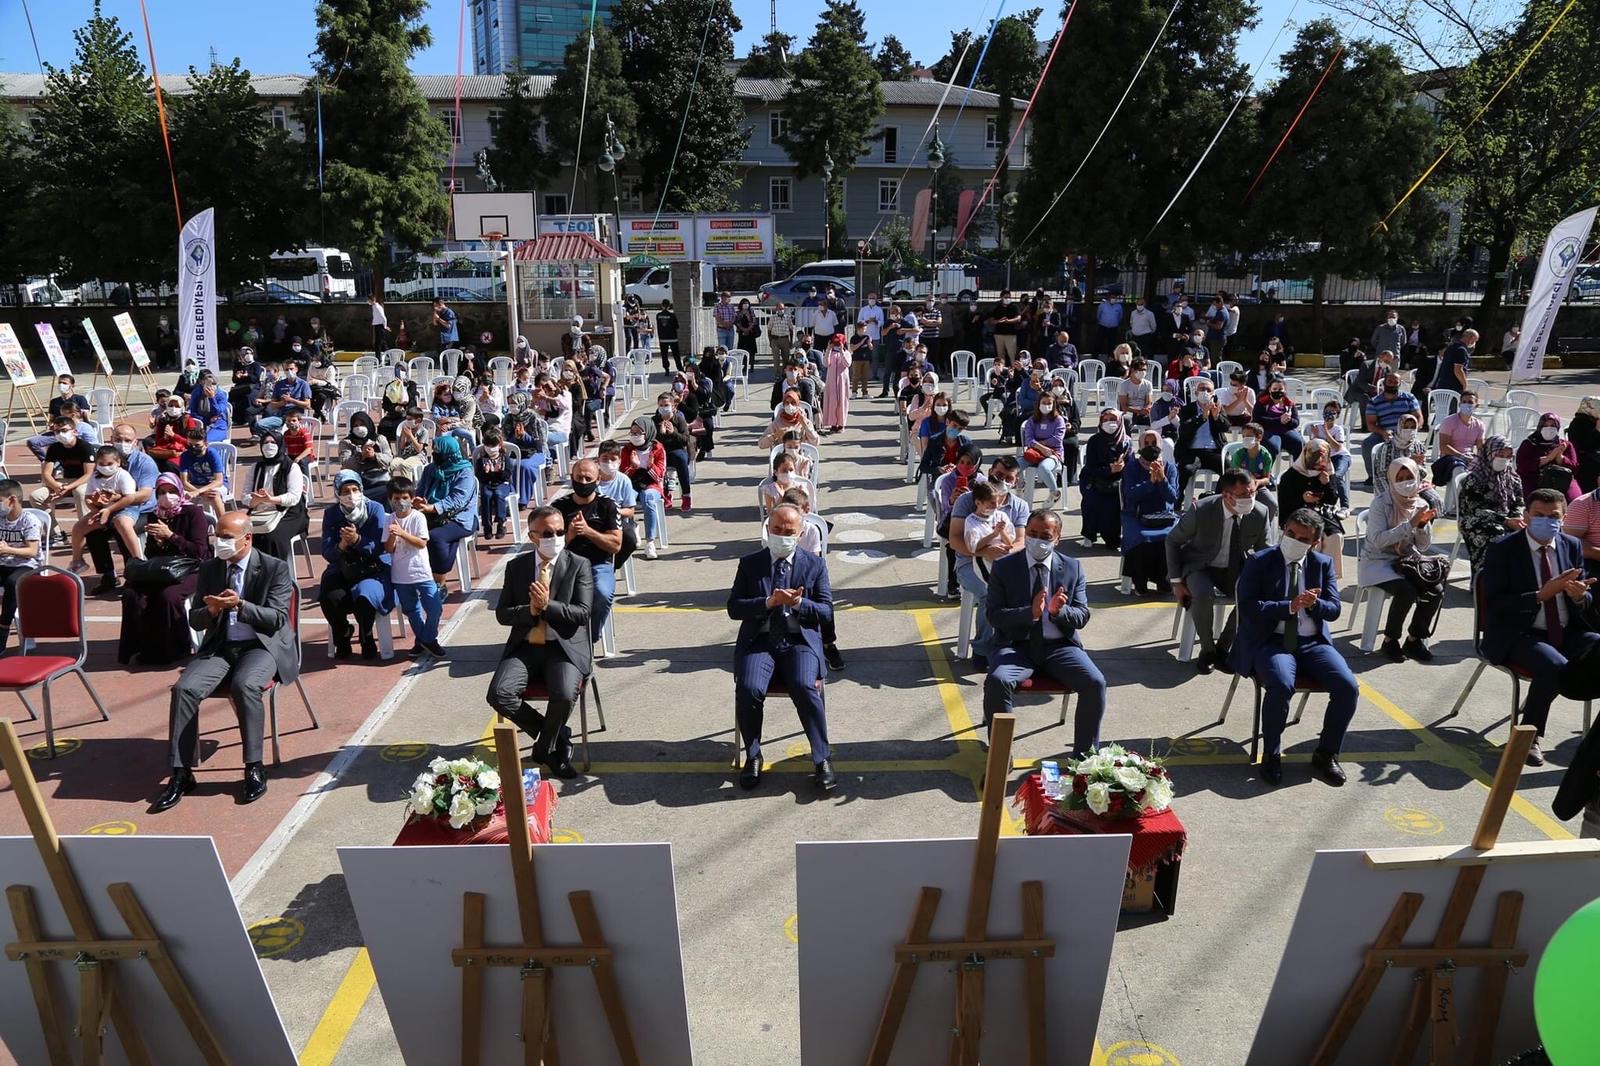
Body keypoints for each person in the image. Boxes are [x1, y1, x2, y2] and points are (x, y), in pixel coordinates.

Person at [152, 511, 298, 812]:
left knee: (246, 685)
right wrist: (214, 612)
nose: (220, 543)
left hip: (260, 646)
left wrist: (240, 605)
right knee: (184, 690)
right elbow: (195, 620)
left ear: (247, 539)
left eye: (227, 538)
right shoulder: (211, 569)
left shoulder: (275, 568)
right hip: (221, 646)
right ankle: (181, 773)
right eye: (218, 536)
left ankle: (254, 767)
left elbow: (277, 619)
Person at [1232, 510, 1358, 786]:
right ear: (1283, 529)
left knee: (1347, 687)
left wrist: (1314, 605)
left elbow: (1334, 609)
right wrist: (1289, 606)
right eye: (1290, 534)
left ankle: (1326, 753)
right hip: (1272, 641)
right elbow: (1249, 606)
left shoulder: (1322, 564)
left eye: (1303, 538)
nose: (1294, 540)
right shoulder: (1260, 561)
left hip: (1311, 642)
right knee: (1280, 683)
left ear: (1313, 543)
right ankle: (1272, 754)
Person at [1479, 488, 1600, 767]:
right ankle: (1528, 735)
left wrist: (1579, 596)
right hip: (1521, 632)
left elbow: (1585, 601)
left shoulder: (1570, 545)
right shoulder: (1503, 549)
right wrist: (1539, 595)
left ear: (1564, 517)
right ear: (1526, 516)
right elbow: (1494, 605)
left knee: (1597, 646)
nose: (1547, 521)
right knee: (1555, 667)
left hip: (1565, 629)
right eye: (1539, 516)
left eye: (1554, 516)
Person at [728, 503, 836, 791]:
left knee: (804, 685)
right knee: (749, 688)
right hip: (760, 642)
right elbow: (734, 608)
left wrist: (799, 603)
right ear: (768, 529)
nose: (782, 536)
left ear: (800, 535)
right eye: (776, 530)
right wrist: (769, 602)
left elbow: (826, 612)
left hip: (797, 641)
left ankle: (821, 759)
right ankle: (753, 754)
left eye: (789, 532)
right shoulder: (750, 564)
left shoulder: (814, 565)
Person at [982, 509, 1107, 755]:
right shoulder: (1004, 567)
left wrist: (1057, 612)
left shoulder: (1072, 567)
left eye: (1045, 536)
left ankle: (1084, 760)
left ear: (1057, 539)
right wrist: (1031, 613)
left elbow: (1082, 615)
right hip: (1016, 646)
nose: (1037, 540)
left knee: (1095, 683)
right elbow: (994, 615)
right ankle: (1000, 757)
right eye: (1032, 534)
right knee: (998, 681)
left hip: (1059, 646)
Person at [485, 506, 593, 778]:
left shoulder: (579, 564)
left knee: (566, 694)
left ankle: (545, 748)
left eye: (559, 532)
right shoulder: (517, 567)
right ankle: (557, 737)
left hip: (564, 647)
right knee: (499, 693)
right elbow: (502, 614)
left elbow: (582, 613)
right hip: (526, 646)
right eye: (547, 533)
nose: (555, 537)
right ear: (532, 536)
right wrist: (531, 611)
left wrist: (547, 606)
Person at [1167, 470, 1268, 674]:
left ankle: (1223, 647)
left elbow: (1264, 550)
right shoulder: (1201, 510)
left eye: (1252, 493)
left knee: (1250, 597)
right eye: (1243, 495)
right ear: (1227, 495)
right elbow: (1172, 541)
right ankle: (1207, 650)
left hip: (1234, 567)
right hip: (1199, 566)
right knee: (1203, 594)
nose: (1250, 499)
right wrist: (1176, 582)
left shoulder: (1260, 512)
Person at [118, 474, 213, 665]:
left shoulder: (193, 513)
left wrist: (171, 536)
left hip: (193, 567)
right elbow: (150, 553)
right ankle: (141, 646)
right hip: (165, 567)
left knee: (168, 596)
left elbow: (200, 552)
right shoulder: (155, 514)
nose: (166, 496)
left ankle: (177, 648)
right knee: (132, 593)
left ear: (180, 491)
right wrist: (159, 543)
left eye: (171, 491)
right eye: (161, 492)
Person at [319, 471, 393, 660]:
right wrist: (342, 545)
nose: (351, 495)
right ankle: (342, 636)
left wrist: (358, 540)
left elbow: (380, 546)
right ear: (337, 493)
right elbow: (327, 552)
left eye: (354, 489)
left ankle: (366, 637)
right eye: (345, 491)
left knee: (364, 595)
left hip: (372, 567)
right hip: (343, 566)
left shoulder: (374, 509)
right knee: (330, 595)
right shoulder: (331, 514)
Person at [81, 423, 160, 594]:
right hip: (111, 509)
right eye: (118, 439)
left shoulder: (144, 462)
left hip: (143, 511)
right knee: (93, 530)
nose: (122, 442)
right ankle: (108, 575)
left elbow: (145, 494)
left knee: (121, 527)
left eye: (127, 440)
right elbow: (92, 492)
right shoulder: (104, 460)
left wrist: (120, 498)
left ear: (135, 442)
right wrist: (95, 503)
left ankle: (133, 573)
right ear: (111, 440)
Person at [552, 458, 623, 644]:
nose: (583, 482)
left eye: (588, 478)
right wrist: (569, 535)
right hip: (567, 566)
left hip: (598, 565)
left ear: (598, 479)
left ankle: (589, 638)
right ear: (572, 477)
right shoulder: (558, 508)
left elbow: (616, 545)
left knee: (601, 592)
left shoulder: (608, 506)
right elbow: (548, 546)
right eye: (579, 478)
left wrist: (589, 532)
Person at [67, 444, 143, 580]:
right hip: (103, 510)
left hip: (125, 509)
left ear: (118, 462)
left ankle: (137, 560)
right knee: (79, 527)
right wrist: (95, 506)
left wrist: (109, 509)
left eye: (109, 463)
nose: (105, 467)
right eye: (101, 463)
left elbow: (130, 498)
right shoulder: (94, 477)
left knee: (123, 524)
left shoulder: (123, 475)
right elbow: (88, 499)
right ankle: (78, 560)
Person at [413, 435, 479, 592]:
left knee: (435, 537)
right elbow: (421, 490)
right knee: (409, 531)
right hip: (430, 514)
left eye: (438, 451)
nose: (434, 453)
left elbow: (458, 500)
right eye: (434, 450)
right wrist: (418, 501)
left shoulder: (465, 473)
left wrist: (432, 508)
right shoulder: (431, 469)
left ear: (449, 453)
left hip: (459, 518)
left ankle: (440, 583)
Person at [1119, 427, 1179, 595]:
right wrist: (1150, 482)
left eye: (1154, 443)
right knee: (1141, 536)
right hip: (1136, 515)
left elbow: (1172, 497)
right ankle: (1140, 581)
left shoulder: (1169, 467)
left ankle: (1163, 580)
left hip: (1163, 515)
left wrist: (1162, 480)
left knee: (1172, 536)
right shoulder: (1131, 467)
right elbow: (1130, 495)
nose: (1150, 446)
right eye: (1146, 443)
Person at [1280, 439, 1346, 577]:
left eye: (1323, 456)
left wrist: (1327, 484)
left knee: (1335, 536)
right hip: (1296, 513)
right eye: (1316, 456)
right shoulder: (1291, 475)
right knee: (1313, 539)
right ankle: (1309, 575)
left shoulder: (1327, 472)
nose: (1320, 460)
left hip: (1321, 514)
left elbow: (1332, 500)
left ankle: (1329, 575)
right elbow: (1284, 504)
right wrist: (1302, 499)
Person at [1460, 436, 1526, 573]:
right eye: (1500, 455)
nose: (1504, 459)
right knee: (1497, 533)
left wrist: (1517, 517)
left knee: (1527, 534)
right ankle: (1484, 579)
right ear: (1489, 453)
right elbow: (1476, 510)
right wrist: (1506, 521)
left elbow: (1519, 502)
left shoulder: (1512, 478)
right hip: (1475, 519)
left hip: (1506, 519)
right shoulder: (1474, 479)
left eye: (1508, 456)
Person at [242, 429, 309, 561]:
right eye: (265, 442)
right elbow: (245, 496)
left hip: (290, 512)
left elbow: (294, 497)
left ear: (280, 444)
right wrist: (255, 501)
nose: (269, 445)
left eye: (273, 442)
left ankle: (277, 574)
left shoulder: (291, 467)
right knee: (241, 534)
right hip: (260, 511)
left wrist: (271, 499)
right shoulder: (255, 467)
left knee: (271, 537)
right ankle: (251, 574)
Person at [0, 480, 45, 650]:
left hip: (27, 566)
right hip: (4, 563)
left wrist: (7, 549)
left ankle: (3, 628)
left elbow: (32, 551)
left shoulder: (29, 520)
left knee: (13, 583)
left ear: (12, 500)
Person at [1359, 371, 1420, 487]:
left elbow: (1418, 417)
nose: (1392, 384)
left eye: (1395, 382)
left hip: (1406, 432)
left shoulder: (1409, 398)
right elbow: (1371, 424)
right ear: (1385, 383)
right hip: (1384, 432)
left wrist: (1411, 430)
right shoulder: (1374, 402)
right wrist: (1382, 432)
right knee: (1367, 444)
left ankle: (1413, 473)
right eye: (1390, 381)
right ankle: (1372, 476)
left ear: (1399, 383)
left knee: (1417, 448)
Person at [30, 414, 96, 519]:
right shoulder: (54, 448)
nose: (60, 434)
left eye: (64, 430)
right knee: (35, 496)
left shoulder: (85, 447)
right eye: (57, 431)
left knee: (80, 492)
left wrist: (68, 488)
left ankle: (84, 528)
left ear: (74, 431)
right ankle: (55, 532)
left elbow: (89, 474)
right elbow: (46, 473)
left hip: (83, 482)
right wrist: (56, 486)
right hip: (64, 482)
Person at [1080, 411, 1130, 548]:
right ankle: (1089, 533)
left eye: (1113, 419)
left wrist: (1122, 468)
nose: (1109, 422)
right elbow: (1090, 468)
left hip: (1117, 482)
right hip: (1093, 479)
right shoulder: (1094, 441)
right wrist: (1110, 469)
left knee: (1114, 504)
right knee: (1093, 500)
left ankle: (1111, 534)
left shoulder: (1126, 442)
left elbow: (1131, 468)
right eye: (1105, 419)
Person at [620, 423, 667, 559]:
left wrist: (648, 466)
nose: (635, 436)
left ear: (648, 433)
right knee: (624, 498)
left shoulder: (658, 448)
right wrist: (634, 467)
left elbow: (659, 475)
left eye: (639, 432)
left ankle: (650, 542)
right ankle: (631, 528)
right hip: (632, 484)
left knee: (648, 497)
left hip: (652, 484)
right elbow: (622, 475)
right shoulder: (627, 449)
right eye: (633, 433)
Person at [1176, 378, 1230, 496]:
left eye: (1208, 389)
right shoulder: (1187, 409)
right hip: (1192, 451)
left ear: (1213, 393)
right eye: (1202, 389)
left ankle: (1216, 498)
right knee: (1185, 470)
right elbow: (1184, 430)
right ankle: (1178, 499)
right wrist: (1203, 417)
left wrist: (1216, 417)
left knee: (1230, 469)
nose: (1205, 392)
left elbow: (1226, 427)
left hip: (1213, 450)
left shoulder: (1218, 407)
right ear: (1196, 393)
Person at [1517, 412, 1581, 503]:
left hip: (1562, 479)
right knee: (1539, 503)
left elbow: (1574, 468)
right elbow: (1522, 467)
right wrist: (1547, 458)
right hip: (1536, 479)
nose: (1549, 428)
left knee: (1576, 502)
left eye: (1552, 426)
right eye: (1545, 425)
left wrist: (1560, 458)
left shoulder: (1565, 445)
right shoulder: (1529, 444)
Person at [28, 374, 94, 460]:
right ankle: (48, 462)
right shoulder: (54, 402)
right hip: (56, 431)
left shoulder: (79, 399)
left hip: (74, 431)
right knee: (32, 442)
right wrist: (51, 425)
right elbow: (51, 419)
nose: (61, 385)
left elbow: (85, 416)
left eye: (64, 383)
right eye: (59, 382)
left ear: (72, 385)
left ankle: (55, 463)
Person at [1023, 394, 1070, 508]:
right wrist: (1041, 447)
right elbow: (1028, 439)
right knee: (1015, 464)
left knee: (1043, 468)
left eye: (1049, 403)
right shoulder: (1032, 420)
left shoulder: (1059, 420)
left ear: (1054, 405)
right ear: (1038, 404)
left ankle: (1054, 492)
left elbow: (1057, 440)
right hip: (1035, 452)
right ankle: (1013, 488)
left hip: (1054, 453)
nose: (1046, 405)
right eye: (1043, 403)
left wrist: (1038, 443)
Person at [1304, 400, 1352, 511]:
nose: (1329, 414)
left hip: (1340, 457)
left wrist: (1326, 433)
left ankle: (1345, 507)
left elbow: (1337, 447)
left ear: (1337, 415)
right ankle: (1322, 502)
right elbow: (1314, 447)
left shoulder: (1338, 429)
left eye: (1333, 412)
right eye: (1327, 411)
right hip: (1325, 459)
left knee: (1337, 476)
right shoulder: (1316, 427)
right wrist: (1315, 436)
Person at [1227, 424, 1279, 523]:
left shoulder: (1265, 456)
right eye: (1244, 436)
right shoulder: (1239, 455)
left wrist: (1257, 483)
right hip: (1240, 486)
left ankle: (1264, 527)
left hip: (1258, 486)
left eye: (1249, 436)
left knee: (1272, 504)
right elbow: (1234, 476)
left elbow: (1266, 479)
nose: (1246, 439)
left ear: (1259, 437)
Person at [652, 392, 695, 510]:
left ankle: (686, 495)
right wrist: (660, 434)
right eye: (661, 405)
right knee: (656, 461)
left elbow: (686, 440)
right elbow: (651, 441)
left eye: (666, 405)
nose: (663, 408)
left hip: (677, 450)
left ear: (673, 406)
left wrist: (673, 433)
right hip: (661, 452)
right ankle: (666, 493)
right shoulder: (654, 421)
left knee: (680, 458)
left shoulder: (679, 419)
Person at [1432, 389, 1485, 485]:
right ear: (1459, 404)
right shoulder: (1449, 421)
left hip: (1469, 458)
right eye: (1464, 402)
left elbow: (1480, 447)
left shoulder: (1479, 425)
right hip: (1450, 459)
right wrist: (1460, 456)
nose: (1466, 404)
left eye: (1470, 402)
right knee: (1460, 470)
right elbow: (1443, 446)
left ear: (1476, 406)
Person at [474, 427, 514, 540]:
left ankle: (501, 524)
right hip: (487, 483)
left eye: (493, 445)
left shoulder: (504, 458)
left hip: (502, 483)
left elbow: (508, 475)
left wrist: (499, 471)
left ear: (499, 445)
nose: (491, 448)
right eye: (488, 445)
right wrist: (485, 472)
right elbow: (478, 476)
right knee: (486, 495)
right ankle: (487, 526)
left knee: (499, 494)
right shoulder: (481, 460)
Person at [1254, 377, 1303, 459]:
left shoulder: (1289, 404)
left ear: (1285, 390)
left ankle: (1297, 469)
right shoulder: (1262, 402)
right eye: (1275, 389)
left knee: (1299, 443)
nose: (1278, 391)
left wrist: (1289, 420)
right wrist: (1278, 420)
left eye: (1280, 389)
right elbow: (1257, 419)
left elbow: (1296, 422)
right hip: (1268, 431)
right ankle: (1266, 470)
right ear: (1270, 390)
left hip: (1285, 430)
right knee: (1274, 447)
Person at [187, 375, 232, 443]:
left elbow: (217, 412)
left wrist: (212, 398)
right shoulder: (197, 392)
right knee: (192, 440)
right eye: (208, 384)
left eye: (213, 384)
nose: (211, 387)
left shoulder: (221, 395)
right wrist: (206, 420)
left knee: (206, 441)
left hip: (217, 424)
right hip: (200, 423)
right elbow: (192, 412)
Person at [1569, 396, 1600, 492]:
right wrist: (1597, 431)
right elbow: (1583, 447)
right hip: (1584, 462)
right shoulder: (1577, 424)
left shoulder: (1593, 421)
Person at [1432, 327, 1475, 395]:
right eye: (1475, 340)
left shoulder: (1451, 346)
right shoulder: (1461, 350)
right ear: (1471, 338)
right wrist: (1465, 385)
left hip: (1443, 384)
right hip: (1453, 387)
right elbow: (1458, 370)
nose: (1474, 343)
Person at [822, 333, 851, 433]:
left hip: (842, 381)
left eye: (838, 343)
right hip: (831, 381)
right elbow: (825, 363)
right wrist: (829, 350)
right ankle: (833, 423)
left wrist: (842, 351)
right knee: (832, 402)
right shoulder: (831, 352)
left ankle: (841, 424)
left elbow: (847, 363)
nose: (836, 345)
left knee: (842, 401)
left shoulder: (847, 352)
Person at [1117, 357, 1154, 427]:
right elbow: (1124, 406)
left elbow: (1148, 403)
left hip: (1143, 412)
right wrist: (1138, 411)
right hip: (1129, 412)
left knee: (1154, 419)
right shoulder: (1124, 385)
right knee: (1126, 420)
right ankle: (1127, 438)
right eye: (1140, 369)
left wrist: (1145, 410)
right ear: (1132, 370)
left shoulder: (1148, 384)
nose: (1142, 372)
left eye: (1144, 370)